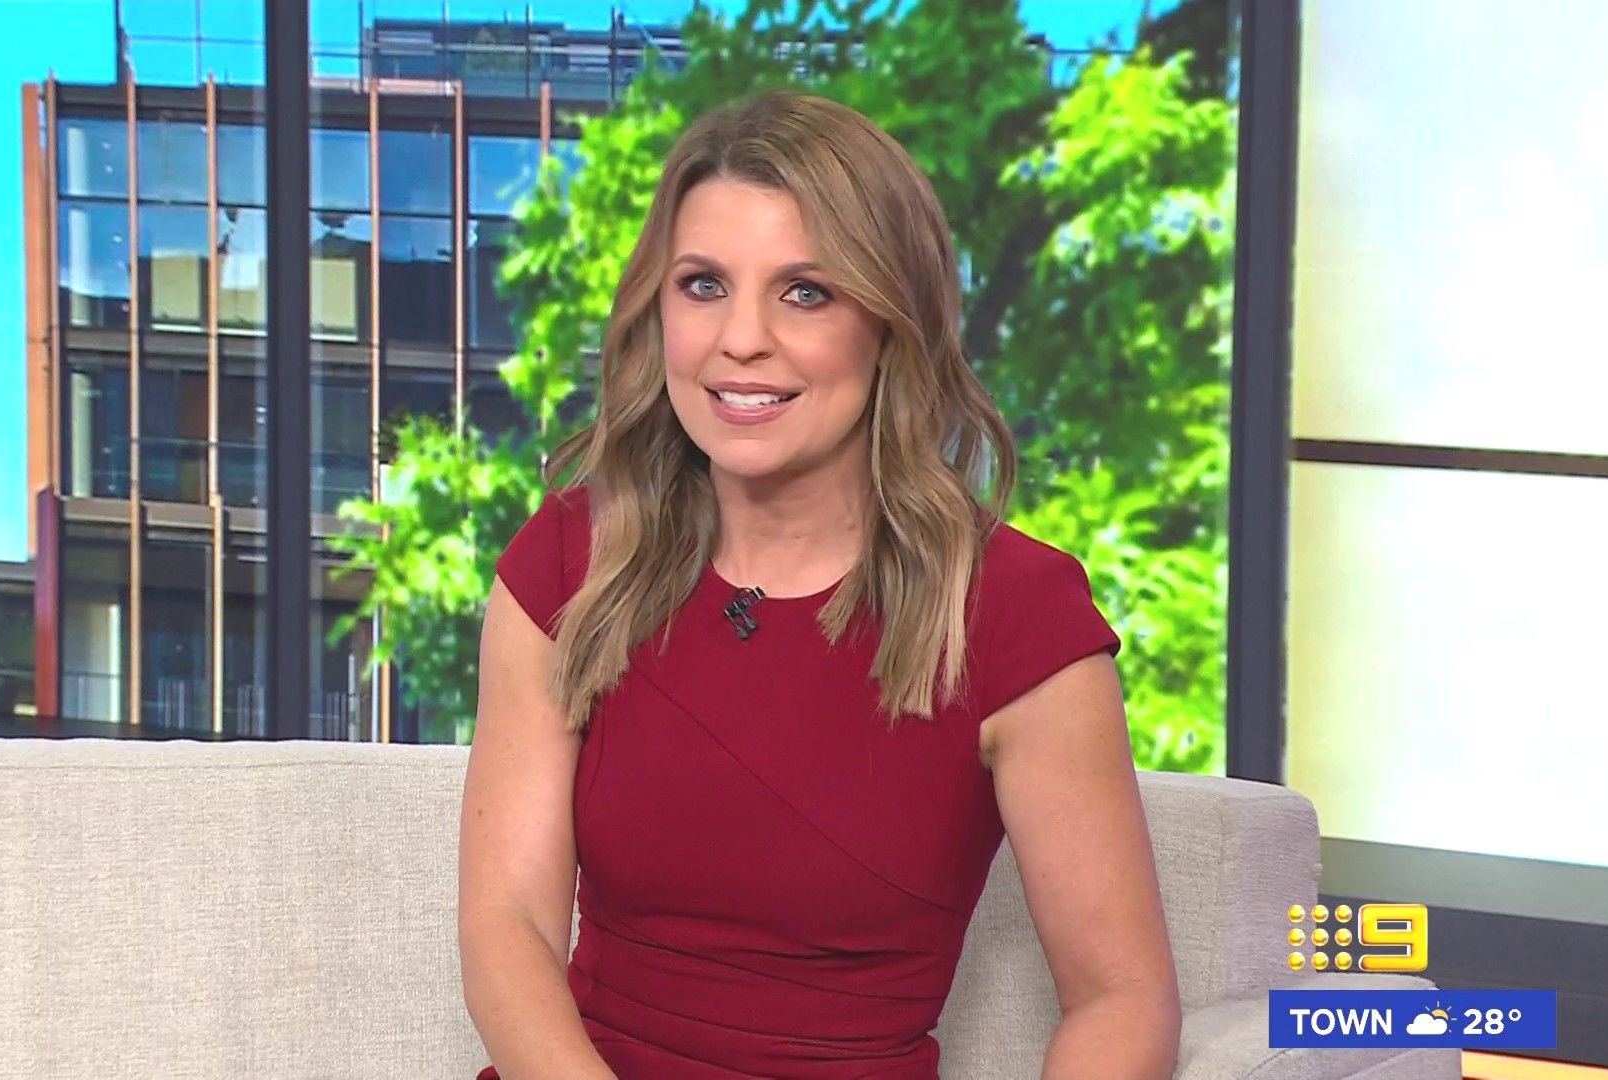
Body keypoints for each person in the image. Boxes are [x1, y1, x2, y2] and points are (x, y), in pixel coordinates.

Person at [458, 88, 1180, 1080]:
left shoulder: (1016, 615)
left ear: (889, 323)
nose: (740, 339)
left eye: (805, 292)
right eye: (702, 285)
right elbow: (508, 927)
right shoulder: (570, 563)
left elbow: (1122, 995)